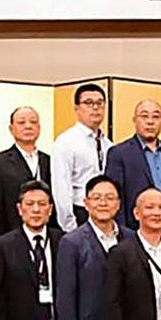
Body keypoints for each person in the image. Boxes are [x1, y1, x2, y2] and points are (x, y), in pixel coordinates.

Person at [57, 175, 135, 320]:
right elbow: (66, 301)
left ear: (118, 204)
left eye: (109, 198)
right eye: (97, 198)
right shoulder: (71, 243)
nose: (103, 203)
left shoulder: (131, 239)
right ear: (86, 203)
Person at [0, 181, 63, 320]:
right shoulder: (3, 246)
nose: (36, 210)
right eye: (30, 204)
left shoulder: (63, 241)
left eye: (42, 204)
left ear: (50, 209)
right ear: (20, 209)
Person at [107, 188, 161, 320]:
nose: (157, 213)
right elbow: (113, 305)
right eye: (149, 207)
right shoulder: (121, 253)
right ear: (136, 213)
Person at [107, 99, 161, 241]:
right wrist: (122, 235)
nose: (150, 121)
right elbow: (115, 196)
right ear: (134, 120)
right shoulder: (119, 153)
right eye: (144, 116)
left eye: (156, 116)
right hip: (135, 234)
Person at [0, 106, 54, 245]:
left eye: (33, 122)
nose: (28, 126)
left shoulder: (49, 161)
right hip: (11, 238)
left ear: (39, 128)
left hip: (45, 237)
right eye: (21, 122)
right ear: (11, 129)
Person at [52, 84, 113, 232]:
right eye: (88, 103)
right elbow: (61, 187)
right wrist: (69, 225)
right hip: (79, 211)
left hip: (106, 213)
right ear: (76, 108)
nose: (95, 108)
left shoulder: (108, 144)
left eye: (99, 103)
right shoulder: (66, 142)